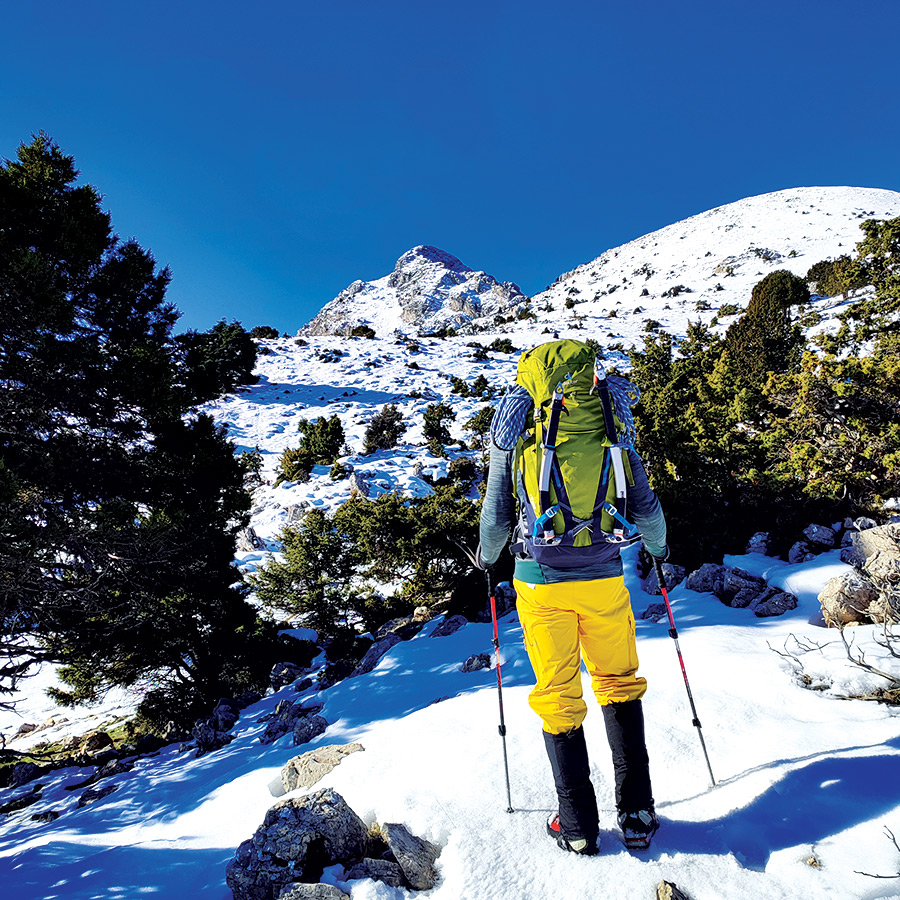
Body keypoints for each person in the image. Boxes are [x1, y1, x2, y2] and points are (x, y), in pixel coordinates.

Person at [476, 339, 667, 856]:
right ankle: (637, 813)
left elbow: (495, 519)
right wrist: (658, 551)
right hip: (604, 577)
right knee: (619, 682)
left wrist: (486, 558)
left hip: (539, 583)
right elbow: (646, 509)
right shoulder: (611, 425)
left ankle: (577, 824)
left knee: (559, 696)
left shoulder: (514, 432)